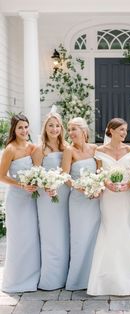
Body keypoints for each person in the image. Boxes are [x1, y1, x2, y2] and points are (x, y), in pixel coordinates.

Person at [87, 118, 130, 296]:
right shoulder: (99, 151)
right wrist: (107, 183)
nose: (124, 133)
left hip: (125, 197)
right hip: (108, 197)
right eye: (121, 130)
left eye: (125, 130)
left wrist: (129, 185)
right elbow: (99, 173)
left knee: (125, 228)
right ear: (110, 130)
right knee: (109, 229)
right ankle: (105, 278)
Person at [0, 114, 40, 292]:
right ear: (14, 130)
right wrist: (21, 185)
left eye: (26, 127)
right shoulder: (10, 149)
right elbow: (1, 176)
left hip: (31, 199)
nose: (24, 131)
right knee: (18, 238)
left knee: (31, 237)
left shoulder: (33, 148)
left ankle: (33, 277)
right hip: (16, 199)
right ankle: (16, 280)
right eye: (20, 128)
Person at [61, 117, 100, 290]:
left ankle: (94, 276)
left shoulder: (94, 149)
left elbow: (100, 172)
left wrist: (97, 187)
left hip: (95, 200)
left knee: (95, 236)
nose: (70, 133)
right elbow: (65, 176)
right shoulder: (69, 151)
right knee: (79, 237)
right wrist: (81, 188)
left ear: (84, 131)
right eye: (69, 130)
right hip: (78, 200)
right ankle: (77, 280)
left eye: (74, 129)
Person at [32, 112, 70, 290]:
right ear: (45, 128)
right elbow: (36, 173)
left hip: (63, 193)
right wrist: (46, 185)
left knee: (64, 233)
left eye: (57, 126)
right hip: (46, 196)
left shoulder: (65, 148)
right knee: (50, 235)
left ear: (61, 128)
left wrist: (57, 184)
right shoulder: (40, 149)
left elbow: (65, 172)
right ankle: (50, 278)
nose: (54, 129)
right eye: (50, 126)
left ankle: (65, 275)